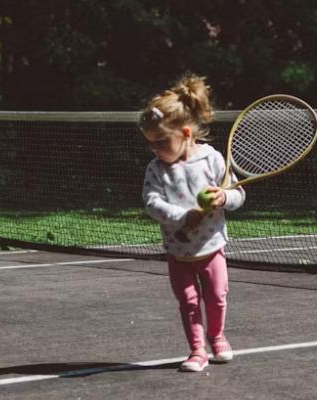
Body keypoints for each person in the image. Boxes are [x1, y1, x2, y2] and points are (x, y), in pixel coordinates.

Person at [139, 74, 245, 372]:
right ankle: (197, 350)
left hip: (211, 248)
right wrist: (183, 217)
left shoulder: (211, 160)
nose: (155, 149)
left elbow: (238, 194)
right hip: (178, 252)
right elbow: (152, 203)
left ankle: (217, 336)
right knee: (188, 302)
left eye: (161, 141)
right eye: (151, 143)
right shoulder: (156, 169)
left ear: (185, 133)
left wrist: (224, 198)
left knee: (217, 297)